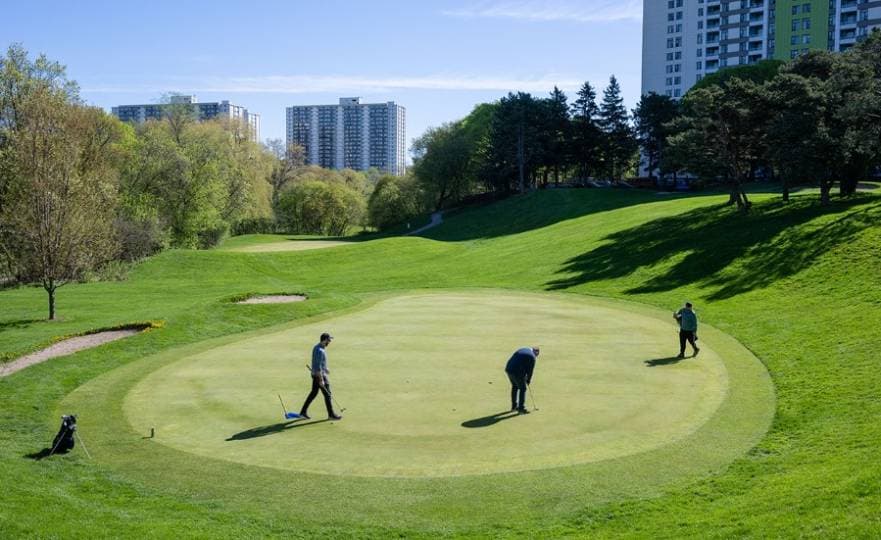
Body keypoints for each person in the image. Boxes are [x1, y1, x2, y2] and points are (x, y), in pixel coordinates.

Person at [299, 332, 342, 420]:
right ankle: (331, 415)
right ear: (324, 340)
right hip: (319, 375)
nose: (329, 342)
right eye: (329, 340)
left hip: (316, 374)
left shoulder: (317, 347)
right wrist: (321, 380)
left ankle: (303, 412)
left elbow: (318, 363)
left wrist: (325, 368)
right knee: (328, 394)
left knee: (313, 393)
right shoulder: (320, 351)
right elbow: (318, 367)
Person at [505, 347, 539, 414]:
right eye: (536, 355)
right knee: (523, 388)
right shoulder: (532, 357)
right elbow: (530, 371)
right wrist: (528, 380)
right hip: (516, 371)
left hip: (508, 369)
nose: (536, 356)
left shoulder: (523, 349)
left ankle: (514, 406)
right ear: (536, 352)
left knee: (515, 386)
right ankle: (521, 408)